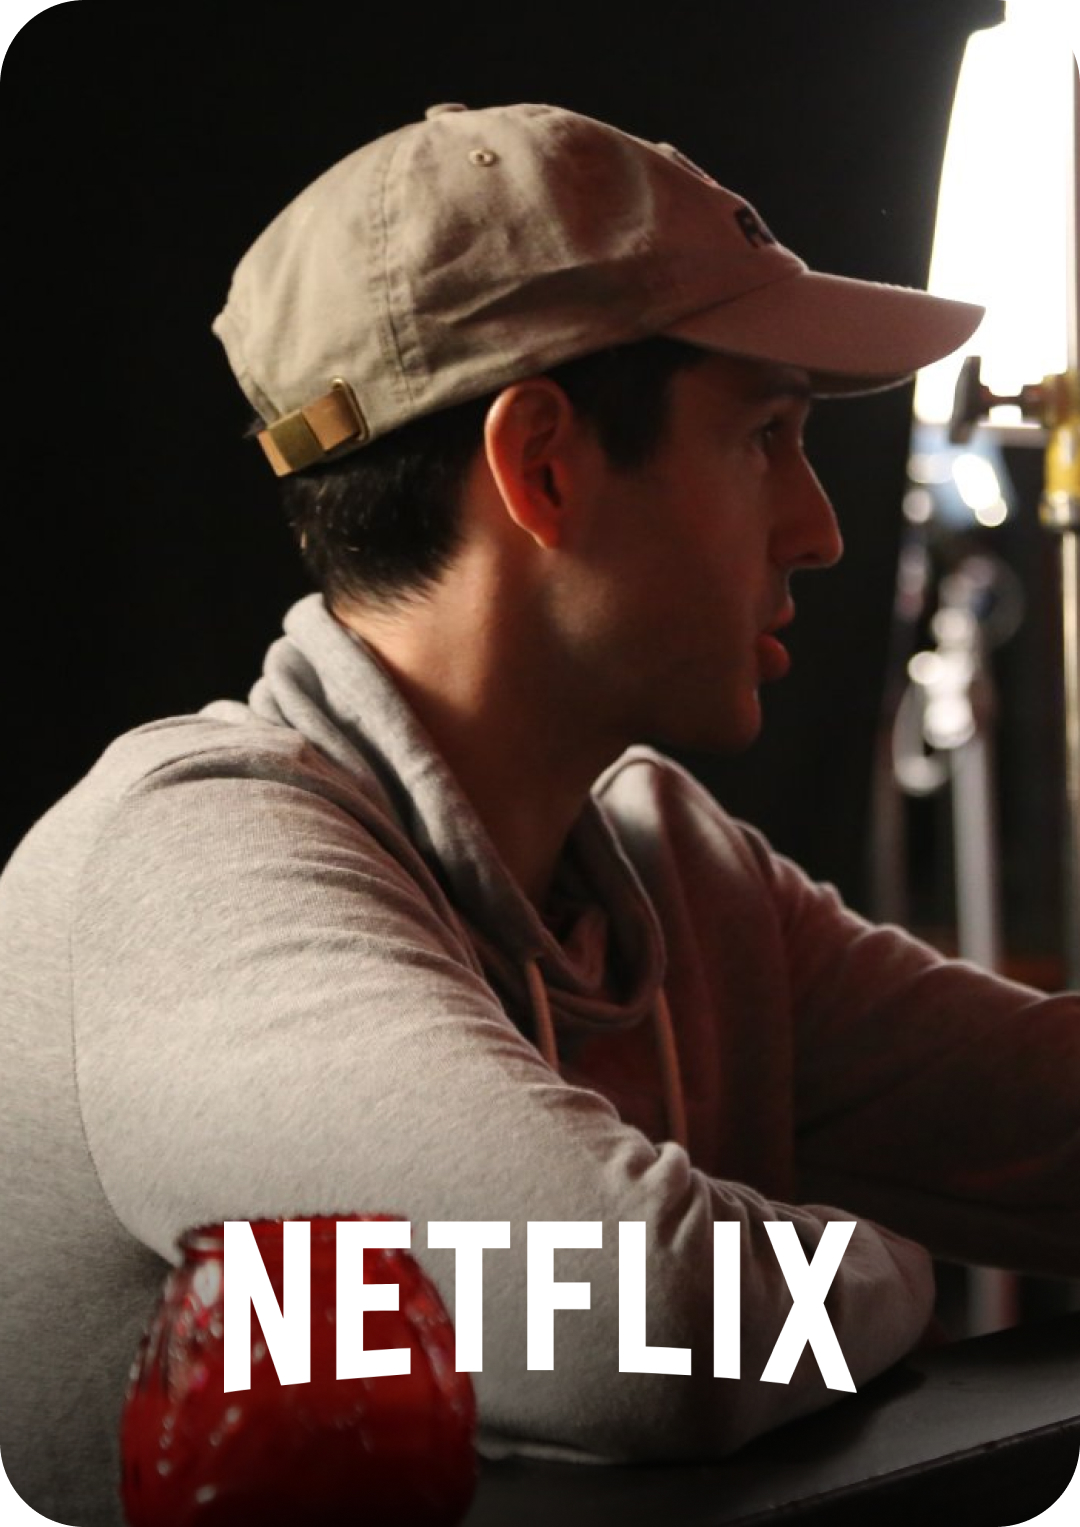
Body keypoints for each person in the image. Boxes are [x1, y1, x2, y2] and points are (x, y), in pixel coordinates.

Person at [0, 101, 1077, 1527]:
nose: (820, 529)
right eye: (765, 435)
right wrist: (895, 1264)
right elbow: (644, 1325)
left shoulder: (668, 867)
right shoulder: (183, 867)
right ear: (545, 467)